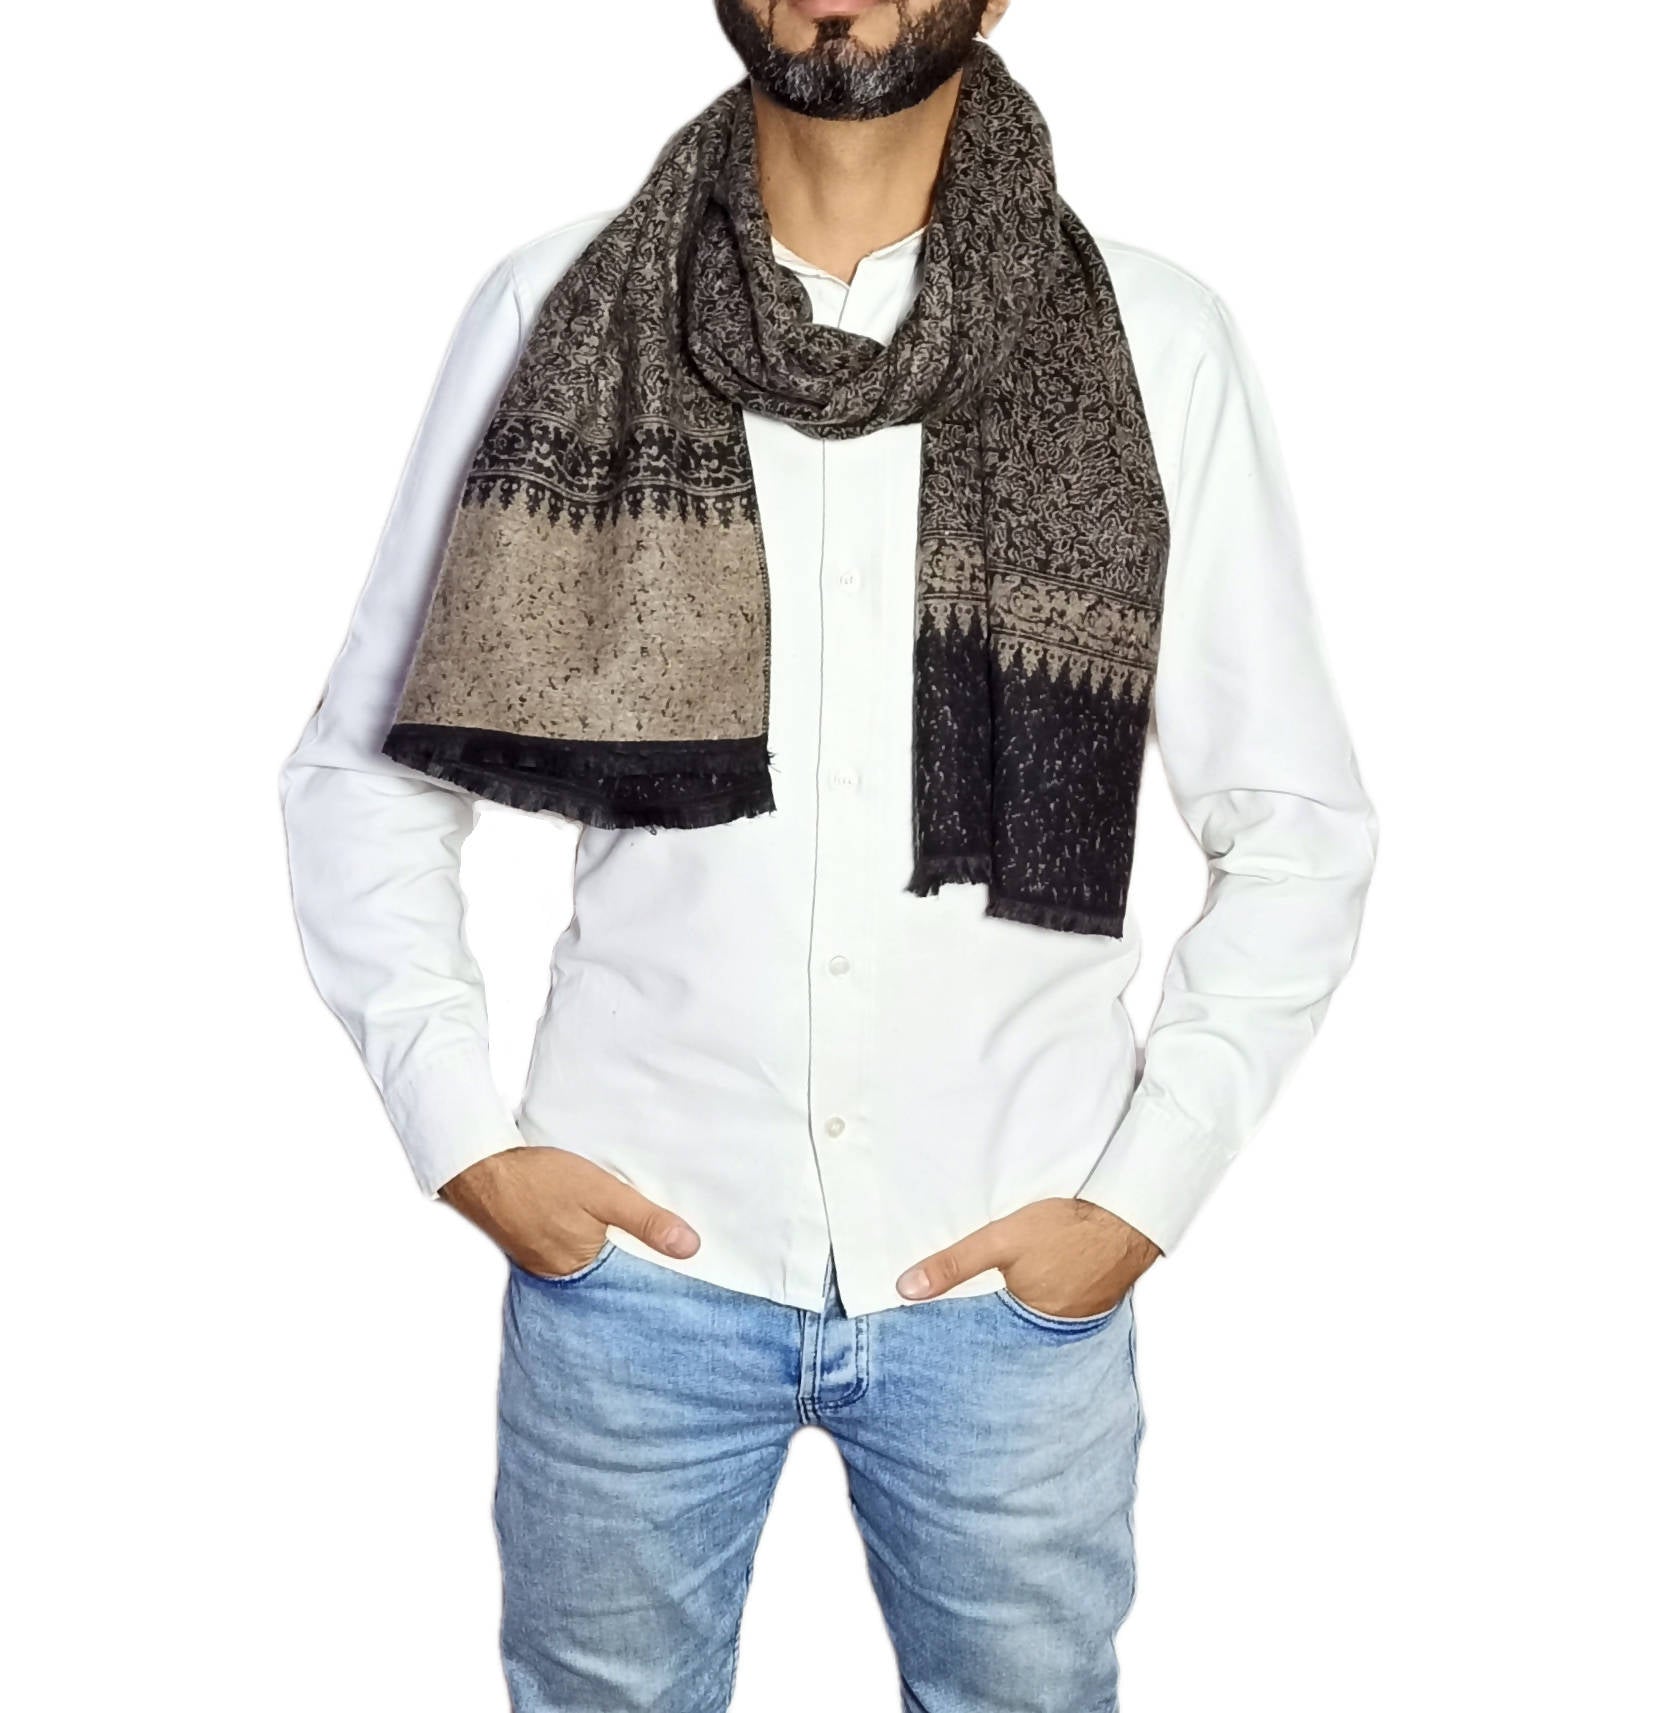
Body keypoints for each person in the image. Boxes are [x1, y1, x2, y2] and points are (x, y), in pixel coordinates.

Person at [278, 3, 1379, 1708]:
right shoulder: (560, 308)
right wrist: (467, 1139)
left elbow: (1298, 829)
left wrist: (1137, 1202)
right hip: (636, 1262)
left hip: (1008, 1269)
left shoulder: (1157, 338)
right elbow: (363, 772)